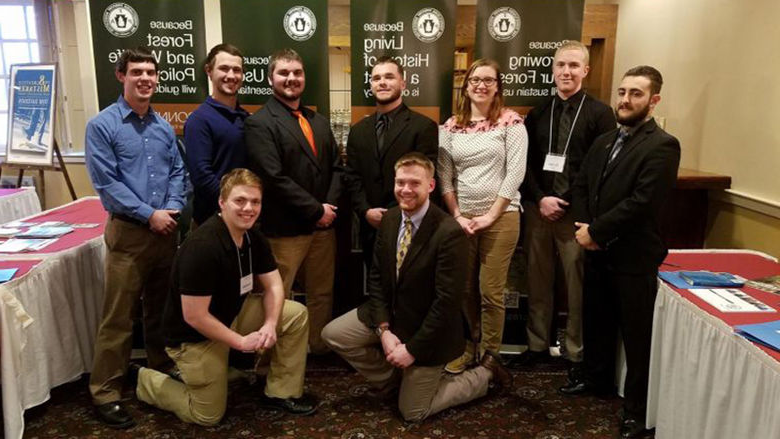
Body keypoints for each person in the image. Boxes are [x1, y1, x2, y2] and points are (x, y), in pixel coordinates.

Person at [321, 153, 512, 422]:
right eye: (401, 182)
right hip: (394, 318)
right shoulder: (389, 220)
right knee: (333, 334)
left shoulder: (448, 232)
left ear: (431, 186)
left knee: (413, 412)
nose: (406, 189)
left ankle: (486, 374)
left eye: (414, 183)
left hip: (430, 330)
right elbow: (376, 278)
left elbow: (446, 303)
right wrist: (384, 329)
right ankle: (396, 381)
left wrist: (411, 351)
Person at [135, 168, 315, 425]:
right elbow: (194, 316)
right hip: (194, 337)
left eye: (255, 202)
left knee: (295, 314)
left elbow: (275, 285)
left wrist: (269, 324)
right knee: (207, 415)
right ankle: (147, 381)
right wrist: (240, 343)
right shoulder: (203, 247)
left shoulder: (252, 237)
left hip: (230, 315)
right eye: (240, 201)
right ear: (222, 202)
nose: (248, 208)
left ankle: (280, 391)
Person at [562, 66, 680, 439]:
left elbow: (643, 202)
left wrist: (598, 231)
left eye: (636, 94)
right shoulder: (604, 141)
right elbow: (581, 186)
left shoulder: (662, 145)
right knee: (597, 321)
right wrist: (585, 228)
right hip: (596, 250)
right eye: (622, 92)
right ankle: (596, 379)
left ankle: (636, 410)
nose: (625, 100)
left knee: (636, 337)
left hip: (633, 256)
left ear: (653, 100)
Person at [84, 46, 186, 428]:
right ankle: (106, 392)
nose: (145, 78)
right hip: (129, 234)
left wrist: (172, 207)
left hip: (166, 232)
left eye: (150, 72)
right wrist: (150, 214)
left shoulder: (162, 127)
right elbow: (107, 184)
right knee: (119, 318)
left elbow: (178, 170)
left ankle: (158, 369)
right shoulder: (102, 125)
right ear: (121, 76)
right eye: (137, 71)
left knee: (160, 311)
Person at [514, 41, 616, 370]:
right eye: (561, 65)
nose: (566, 71)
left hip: (576, 215)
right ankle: (537, 344)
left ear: (586, 70)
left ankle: (576, 352)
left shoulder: (600, 114)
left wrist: (566, 199)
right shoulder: (539, 112)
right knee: (537, 280)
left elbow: (598, 166)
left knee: (576, 286)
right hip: (538, 208)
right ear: (553, 69)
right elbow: (523, 163)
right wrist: (541, 198)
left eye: (573, 65)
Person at [244, 48, 341, 354]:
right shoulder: (260, 123)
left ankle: (317, 349)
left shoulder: (319, 121)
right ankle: (279, 356)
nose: (291, 78)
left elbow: (337, 167)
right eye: (284, 73)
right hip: (286, 229)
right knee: (279, 296)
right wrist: (316, 210)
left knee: (321, 293)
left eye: (297, 72)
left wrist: (330, 208)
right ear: (270, 77)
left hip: (324, 228)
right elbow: (272, 177)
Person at [438, 58, 528, 373]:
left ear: (498, 86)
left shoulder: (512, 122)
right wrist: (458, 215)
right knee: (463, 289)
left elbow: (515, 174)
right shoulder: (450, 125)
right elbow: (445, 176)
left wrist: (490, 216)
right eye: (475, 79)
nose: (481, 85)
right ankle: (467, 347)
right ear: (466, 85)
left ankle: (490, 356)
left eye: (489, 80)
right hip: (461, 219)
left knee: (490, 291)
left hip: (501, 219)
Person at [343, 56, 438, 271]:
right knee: (376, 287)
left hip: (409, 224)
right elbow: (352, 176)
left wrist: (394, 216)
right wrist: (366, 211)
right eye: (376, 78)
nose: (382, 82)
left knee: (409, 288)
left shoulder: (423, 127)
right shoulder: (358, 130)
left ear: (403, 83)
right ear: (371, 85)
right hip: (370, 225)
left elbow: (426, 179)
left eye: (389, 77)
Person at [184, 43, 249, 227]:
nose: (231, 75)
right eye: (224, 68)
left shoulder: (246, 119)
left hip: (245, 219)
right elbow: (202, 177)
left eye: (237, 70)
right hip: (212, 222)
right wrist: (236, 206)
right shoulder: (199, 120)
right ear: (209, 71)